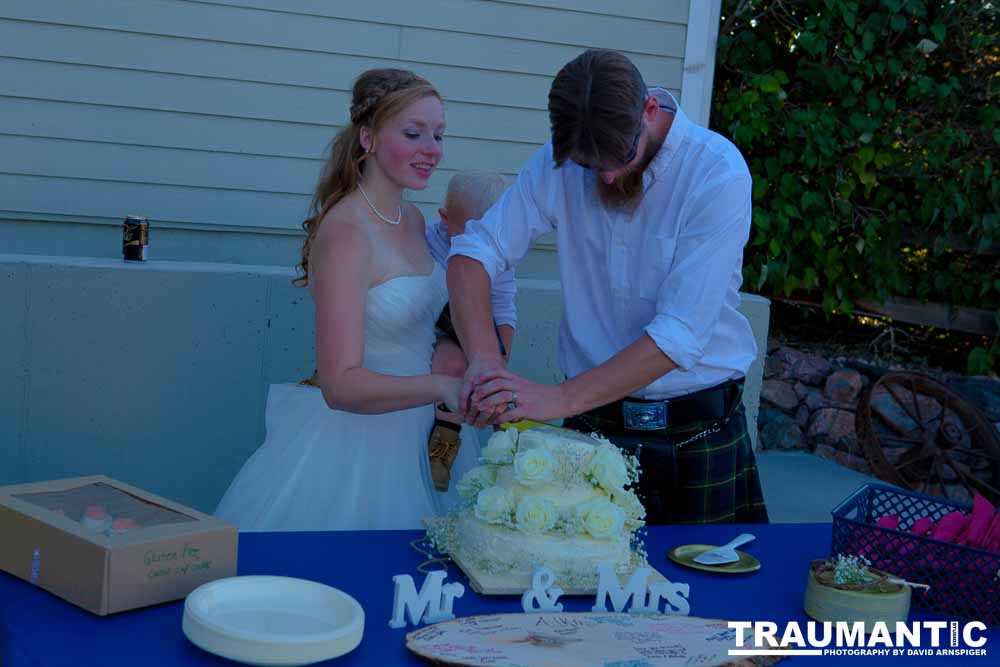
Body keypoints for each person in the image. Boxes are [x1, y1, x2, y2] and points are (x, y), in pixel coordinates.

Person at [446, 49, 769, 525]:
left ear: (650, 111)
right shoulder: (558, 166)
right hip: (593, 425)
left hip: (699, 430)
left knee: (712, 598)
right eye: (587, 165)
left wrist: (555, 400)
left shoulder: (715, 172)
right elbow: (473, 255)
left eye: (619, 158)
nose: (608, 177)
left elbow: (679, 334)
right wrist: (484, 363)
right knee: (583, 592)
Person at [215, 68, 478, 530]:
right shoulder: (346, 234)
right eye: (413, 133)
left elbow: (428, 314)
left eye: (438, 135)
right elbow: (340, 385)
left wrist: (455, 349)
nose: (432, 150)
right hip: (356, 445)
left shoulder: (415, 219)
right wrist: (441, 388)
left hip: (419, 431)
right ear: (367, 138)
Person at [424, 170, 515, 491]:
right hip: (440, 320)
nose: (472, 245)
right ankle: (444, 442)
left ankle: (507, 444)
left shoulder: (500, 256)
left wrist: (500, 353)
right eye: (465, 232)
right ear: (444, 218)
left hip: (478, 322)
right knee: (450, 364)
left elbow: (504, 308)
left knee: (494, 381)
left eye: (485, 235)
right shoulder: (428, 239)